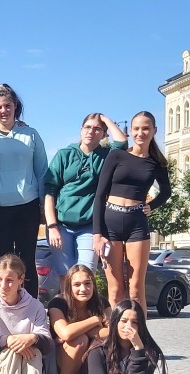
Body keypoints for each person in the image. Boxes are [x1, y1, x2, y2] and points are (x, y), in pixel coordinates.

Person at [0, 83, 47, 298]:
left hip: (27, 206)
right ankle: (4, 306)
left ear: (15, 107)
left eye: (8, 106)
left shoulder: (31, 135)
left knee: (26, 259)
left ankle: (30, 307)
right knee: (2, 261)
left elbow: (42, 172)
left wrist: (43, 206)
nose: (4, 111)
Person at [93, 111, 171, 312]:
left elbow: (166, 192)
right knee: (115, 289)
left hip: (137, 224)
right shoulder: (117, 155)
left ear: (154, 130)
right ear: (131, 131)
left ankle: (140, 332)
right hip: (110, 223)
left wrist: (152, 205)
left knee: (136, 289)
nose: (140, 133)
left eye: (145, 128)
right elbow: (100, 195)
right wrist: (97, 234)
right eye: (136, 128)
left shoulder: (157, 163)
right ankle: (116, 332)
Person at [44, 114, 128, 272]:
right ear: (81, 130)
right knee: (65, 276)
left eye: (97, 129)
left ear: (104, 134)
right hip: (61, 226)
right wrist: (52, 226)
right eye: (87, 127)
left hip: (89, 227)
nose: (91, 131)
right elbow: (49, 192)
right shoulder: (64, 154)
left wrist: (105, 119)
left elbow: (122, 143)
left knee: (86, 273)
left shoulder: (106, 155)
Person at [47, 265, 109, 374]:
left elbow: (113, 333)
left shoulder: (101, 303)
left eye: (88, 283)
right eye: (77, 285)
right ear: (68, 286)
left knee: (93, 343)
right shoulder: (58, 303)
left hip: (88, 364)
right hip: (63, 361)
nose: (83, 289)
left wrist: (85, 330)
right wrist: (94, 321)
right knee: (79, 340)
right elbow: (65, 333)